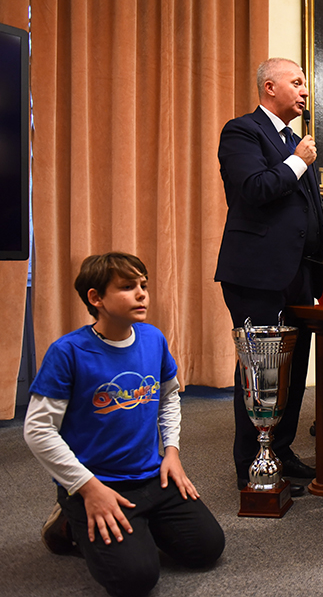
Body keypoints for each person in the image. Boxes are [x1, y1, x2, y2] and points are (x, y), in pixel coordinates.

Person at [24, 253, 224, 597]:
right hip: (96, 482)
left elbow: (169, 397)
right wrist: (88, 488)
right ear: (96, 298)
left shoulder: (153, 339)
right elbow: (38, 430)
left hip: (151, 476)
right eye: (128, 286)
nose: (142, 293)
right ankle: (68, 522)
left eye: (143, 285)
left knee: (206, 549)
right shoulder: (67, 352)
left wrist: (172, 453)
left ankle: (139, 527)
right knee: (135, 580)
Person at [215, 58, 323, 491]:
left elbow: (309, 201)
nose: (306, 91)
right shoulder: (242, 131)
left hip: (300, 273)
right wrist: (297, 161)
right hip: (257, 272)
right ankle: (251, 463)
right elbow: (254, 190)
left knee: (294, 366)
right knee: (260, 370)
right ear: (269, 87)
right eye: (297, 82)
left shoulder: (296, 143)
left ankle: (281, 449)